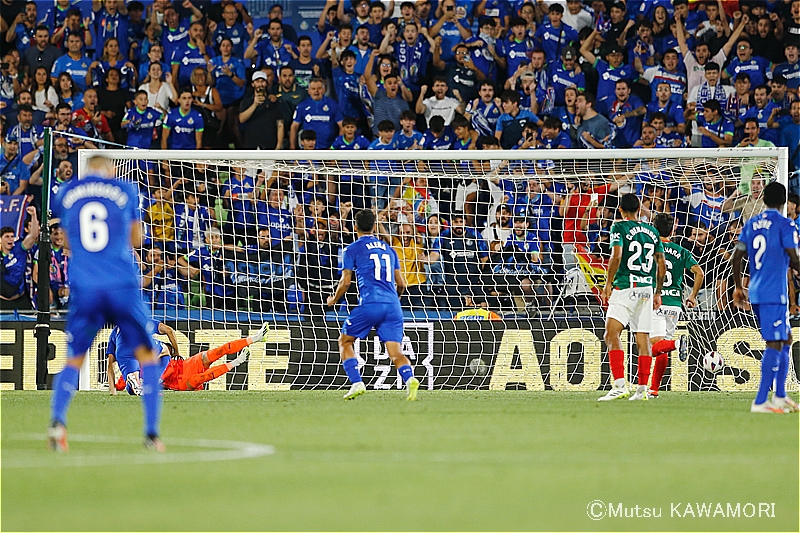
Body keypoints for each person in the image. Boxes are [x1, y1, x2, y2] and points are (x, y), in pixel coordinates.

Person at [48, 155, 164, 453]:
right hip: (122, 284)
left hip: (85, 285)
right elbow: (137, 239)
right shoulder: (125, 189)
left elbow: (68, 242)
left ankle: (57, 423)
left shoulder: (66, 193)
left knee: (75, 358)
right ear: (110, 169)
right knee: (147, 355)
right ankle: (151, 434)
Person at [326, 209, 420, 401]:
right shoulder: (389, 249)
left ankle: (357, 382)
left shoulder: (351, 249)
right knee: (395, 352)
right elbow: (401, 283)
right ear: (375, 226)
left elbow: (345, 282)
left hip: (370, 303)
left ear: (354, 227)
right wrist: (395, 300)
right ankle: (410, 379)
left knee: (345, 341)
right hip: (393, 305)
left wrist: (333, 300)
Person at [732, 182, 800, 413]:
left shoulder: (751, 223)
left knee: (786, 338)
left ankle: (780, 395)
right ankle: (761, 400)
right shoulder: (785, 224)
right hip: (775, 293)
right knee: (774, 342)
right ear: (784, 202)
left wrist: (738, 287)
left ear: (764, 200)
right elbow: (793, 257)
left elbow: (737, 256)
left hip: (757, 290)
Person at [598, 193, 665, 402]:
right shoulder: (653, 232)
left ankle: (619, 385)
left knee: (611, 334)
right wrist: (657, 292)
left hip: (626, 287)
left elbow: (616, 256)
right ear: (638, 209)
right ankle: (642, 389)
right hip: (646, 288)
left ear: (620, 210)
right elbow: (660, 264)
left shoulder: (619, 227)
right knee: (642, 337)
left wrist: (608, 283)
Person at [113, 323, 269, 393]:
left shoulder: (161, 350)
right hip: (180, 383)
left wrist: (175, 352)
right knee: (203, 377)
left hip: (186, 365)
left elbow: (167, 334)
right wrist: (114, 387)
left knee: (217, 351)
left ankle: (256, 338)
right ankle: (237, 362)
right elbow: (124, 383)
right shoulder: (138, 368)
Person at [647, 213, 703, 399]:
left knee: (654, 344)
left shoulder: (650, 249)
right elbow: (699, 273)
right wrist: (692, 296)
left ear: (654, 228)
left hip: (657, 301)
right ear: (673, 230)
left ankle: (678, 343)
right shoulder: (681, 251)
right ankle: (654, 389)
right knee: (662, 345)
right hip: (675, 306)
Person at [0, 207, 38, 311]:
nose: (10, 239)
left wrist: (34, 216)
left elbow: (33, 236)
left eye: (12, 236)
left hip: (21, 301)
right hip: (2, 303)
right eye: (7, 236)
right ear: (0, 240)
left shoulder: (19, 249)